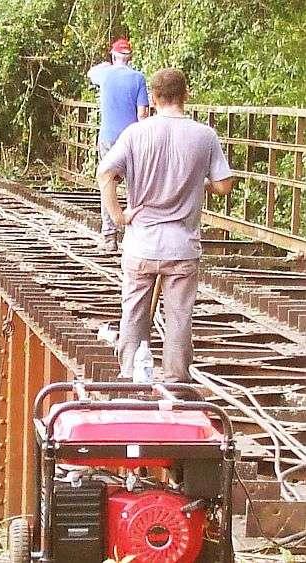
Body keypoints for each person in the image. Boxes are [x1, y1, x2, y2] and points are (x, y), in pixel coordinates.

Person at [96, 68, 233, 383]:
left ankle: (130, 375)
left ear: (154, 98)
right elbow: (224, 186)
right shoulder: (204, 135)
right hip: (182, 248)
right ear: (186, 94)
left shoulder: (135, 133)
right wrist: (199, 185)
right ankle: (175, 382)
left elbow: (106, 174)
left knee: (134, 313)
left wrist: (118, 217)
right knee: (179, 318)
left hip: (140, 243)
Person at [88, 38, 149, 252]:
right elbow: (143, 113)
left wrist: (107, 65)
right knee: (136, 185)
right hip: (132, 139)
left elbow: (90, 73)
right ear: (130, 58)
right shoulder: (139, 78)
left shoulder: (105, 74)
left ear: (114, 56)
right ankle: (137, 236)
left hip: (108, 138)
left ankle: (109, 237)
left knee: (108, 183)